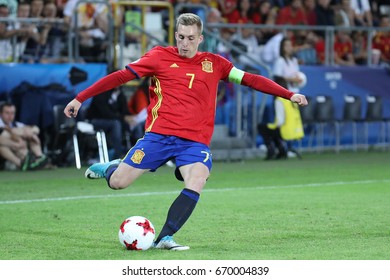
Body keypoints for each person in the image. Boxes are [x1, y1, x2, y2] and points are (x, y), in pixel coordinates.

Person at [64, 13, 308, 250]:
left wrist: (288, 94)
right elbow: (119, 77)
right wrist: (80, 98)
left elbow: (252, 79)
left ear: (200, 38)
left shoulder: (216, 64)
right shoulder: (159, 57)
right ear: (175, 35)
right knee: (118, 183)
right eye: (181, 37)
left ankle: (165, 237)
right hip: (158, 136)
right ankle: (111, 168)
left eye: (191, 38)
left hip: (194, 142)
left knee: (197, 179)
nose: (185, 43)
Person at [258, 77, 304, 160]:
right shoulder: (293, 98)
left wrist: (272, 126)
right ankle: (281, 149)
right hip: (297, 130)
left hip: (286, 131)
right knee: (272, 130)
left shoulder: (279, 100)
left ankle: (271, 150)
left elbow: (280, 121)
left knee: (263, 128)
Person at [0, 102, 48, 170]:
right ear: (1, 114)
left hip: (18, 152)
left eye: (12, 113)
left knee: (32, 135)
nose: (10, 116)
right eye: (7, 113)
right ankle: (23, 163)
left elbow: (36, 128)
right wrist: (15, 143)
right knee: (5, 137)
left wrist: (30, 133)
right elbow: (6, 131)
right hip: (5, 156)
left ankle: (39, 157)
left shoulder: (15, 124)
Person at [85, 87, 130, 160]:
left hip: (111, 120)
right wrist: (121, 117)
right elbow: (105, 113)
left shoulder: (119, 94)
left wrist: (126, 118)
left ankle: (129, 152)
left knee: (126, 124)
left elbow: (124, 111)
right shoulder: (101, 92)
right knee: (116, 124)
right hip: (95, 120)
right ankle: (118, 154)